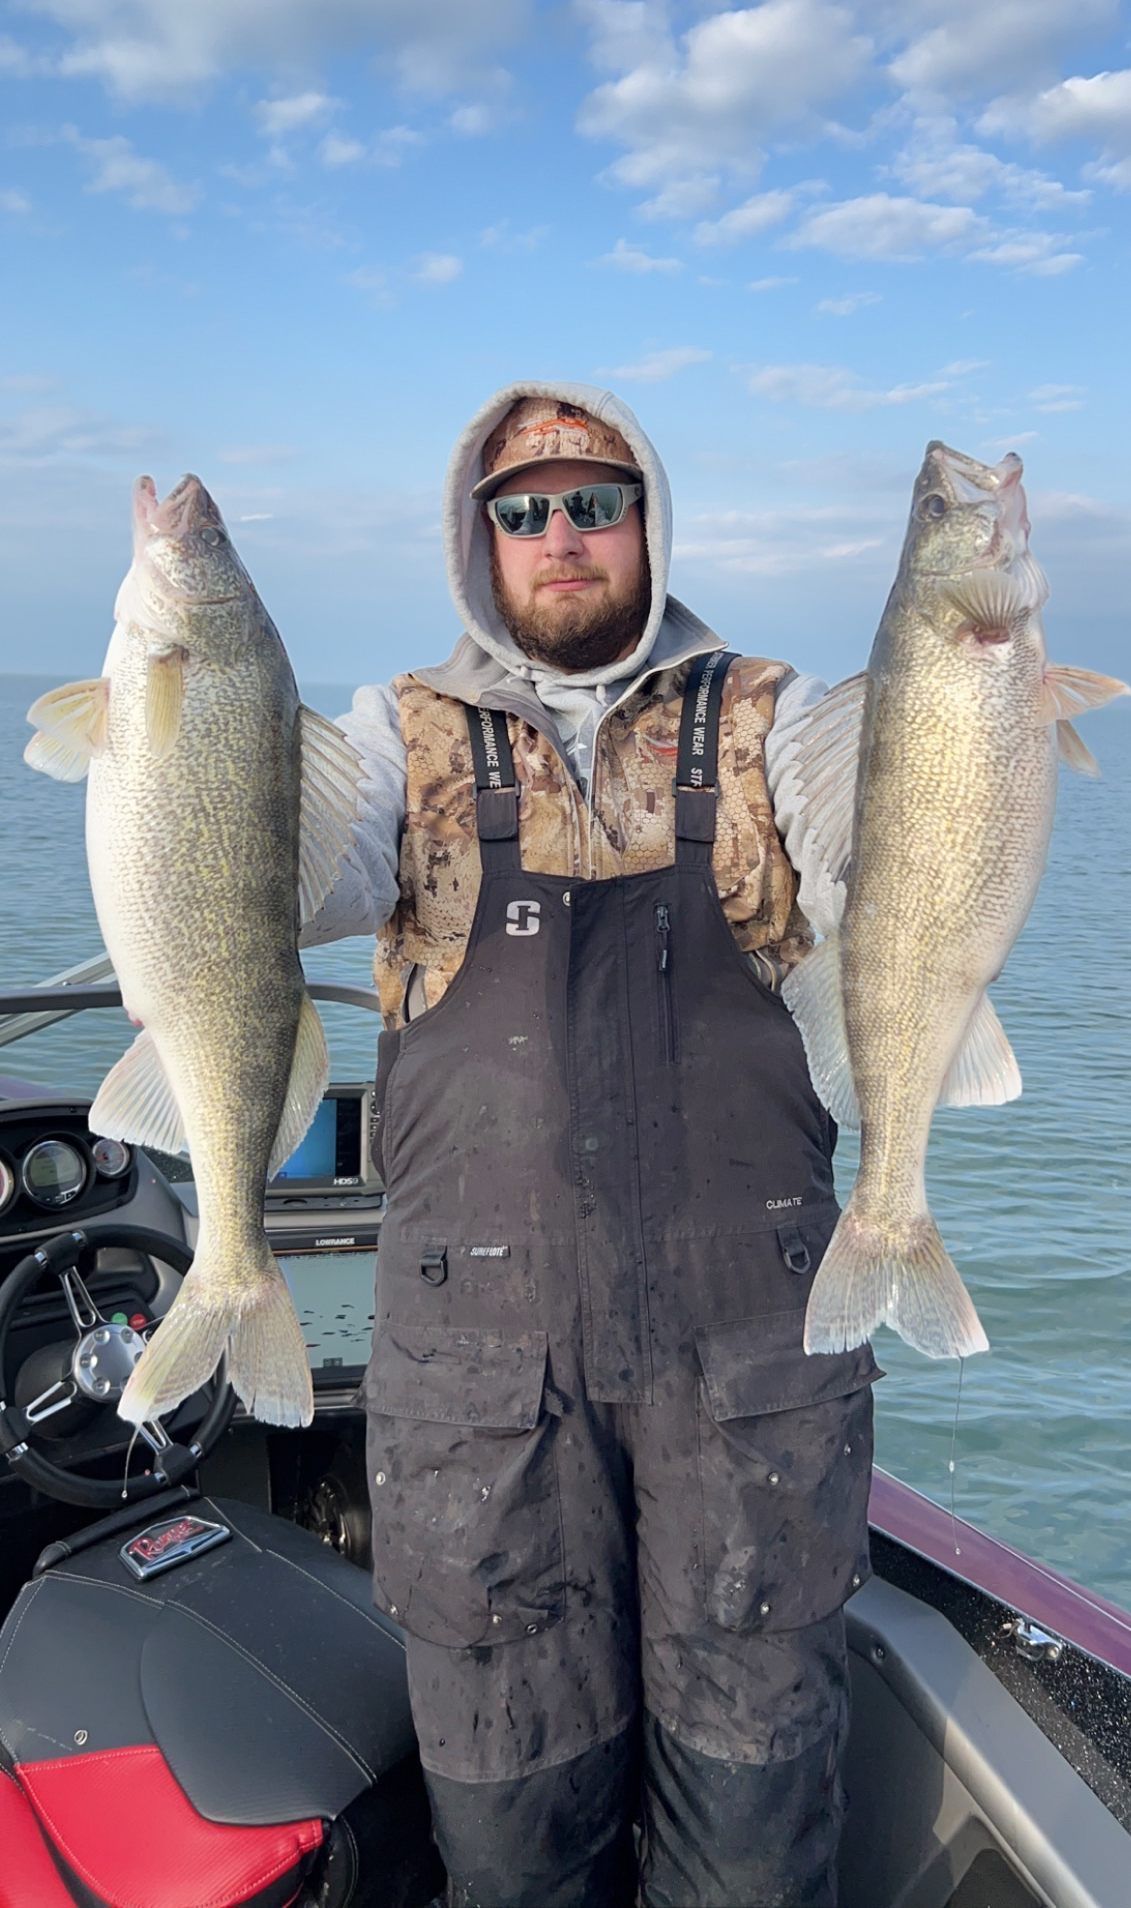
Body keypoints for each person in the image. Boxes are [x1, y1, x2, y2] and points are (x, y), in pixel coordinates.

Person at [306, 384, 881, 1908]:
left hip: (753, 1383)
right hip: (485, 1408)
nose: (561, 535)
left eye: (594, 502)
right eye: (522, 509)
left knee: (756, 1856)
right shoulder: (392, 741)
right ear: (476, 539)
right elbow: (296, 874)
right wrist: (179, 749)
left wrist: (966, 731)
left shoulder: (773, 715)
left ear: (649, 522)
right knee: (508, 1850)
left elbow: (873, 846)